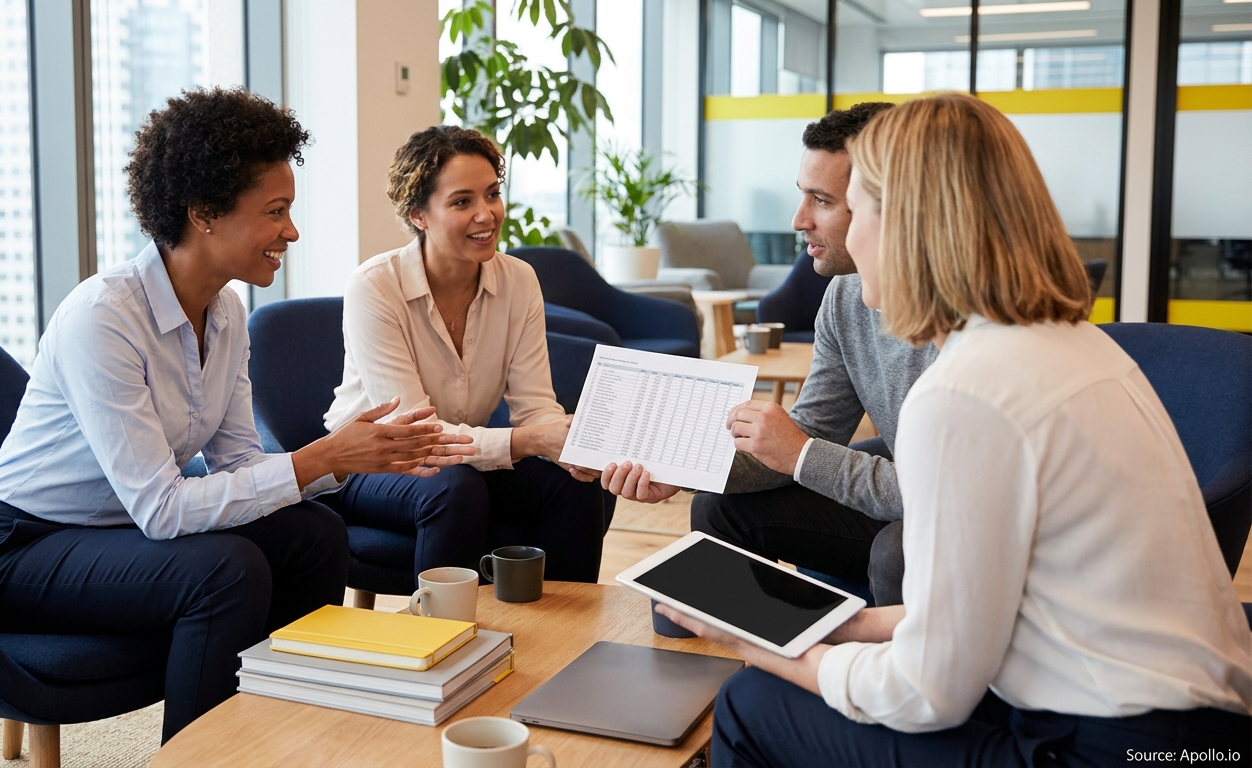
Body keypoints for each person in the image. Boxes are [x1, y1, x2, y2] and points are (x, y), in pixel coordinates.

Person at [658, 93, 1252, 766]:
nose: (846, 235)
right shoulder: (1073, 346)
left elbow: (924, 692)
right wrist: (846, 624)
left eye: (862, 209)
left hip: (1105, 744)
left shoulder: (965, 391)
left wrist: (759, 647)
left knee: (751, 704)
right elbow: (989, 612)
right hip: (1198, 726)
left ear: (910, 224)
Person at [0, 88, 475, 741]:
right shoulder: (104, 318)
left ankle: (287, 734)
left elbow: (240, 469)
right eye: (275, 212)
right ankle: (200, 757)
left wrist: (344, 457)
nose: (292, 231)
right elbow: (164, 510)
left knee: (313, 533)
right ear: (203, 213)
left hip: (119, 532)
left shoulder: (226, 314)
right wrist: (323, 456)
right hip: (18, 550)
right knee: (225, 569)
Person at [603, 102, 929, 605]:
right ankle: (750, 650)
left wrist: (800, 452)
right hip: (911, 487)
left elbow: (932, 494)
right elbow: (815, 433)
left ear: (885, 204)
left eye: (821, 200)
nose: (799, 220)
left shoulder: (969, 325)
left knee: (897, 551)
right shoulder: (844, 297)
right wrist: (681, 467)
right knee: (718, 507)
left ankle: (866, 678)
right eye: (804, 196)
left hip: (961, 510)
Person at [321, 125, 608, 587]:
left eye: (492, 194)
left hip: (460, 459)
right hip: (372, 464)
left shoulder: (519, 281)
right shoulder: (375, 286)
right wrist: (532, 442)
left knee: (570, 482)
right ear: (418, 214)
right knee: (455, 489)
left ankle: (566, 638)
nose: (486, 214)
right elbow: (416, 435)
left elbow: (535, 407)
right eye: (462, 202)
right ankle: (441, 643)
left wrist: (563, 445)